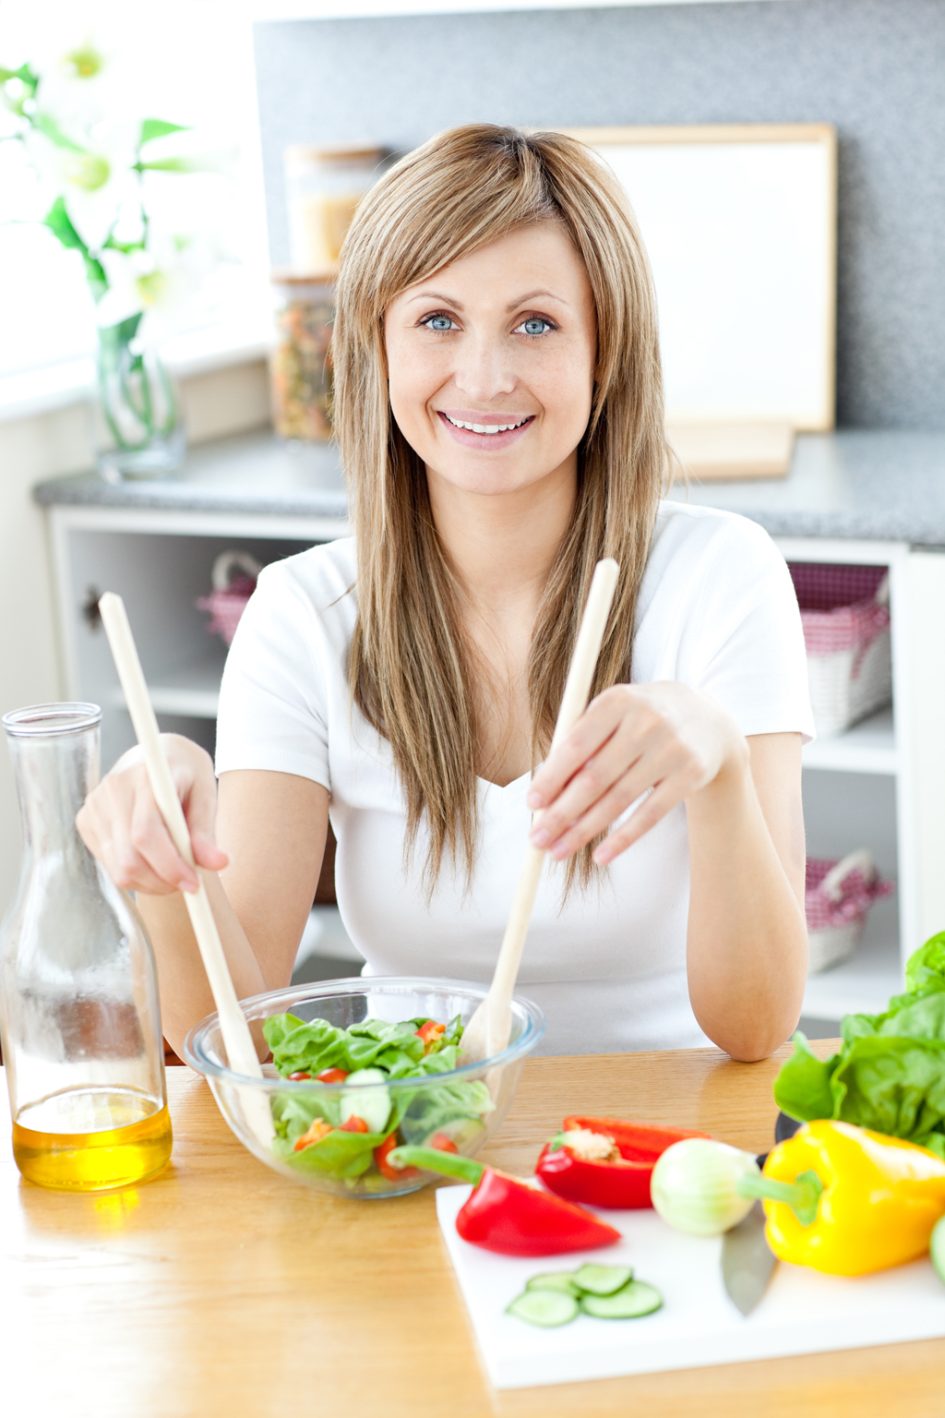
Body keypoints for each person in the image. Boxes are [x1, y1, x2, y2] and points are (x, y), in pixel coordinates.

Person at [77, 123, 814, 1061]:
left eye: (536, 324)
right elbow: (235, 1036)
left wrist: (719, 769)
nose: (485, 377)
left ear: (606, 352)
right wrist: (160, 863)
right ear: (375, 348)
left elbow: (757, 1029)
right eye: (436, 321)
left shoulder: (720, 575)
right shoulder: (303, 615)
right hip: (419, 1126)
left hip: (667, 1127)